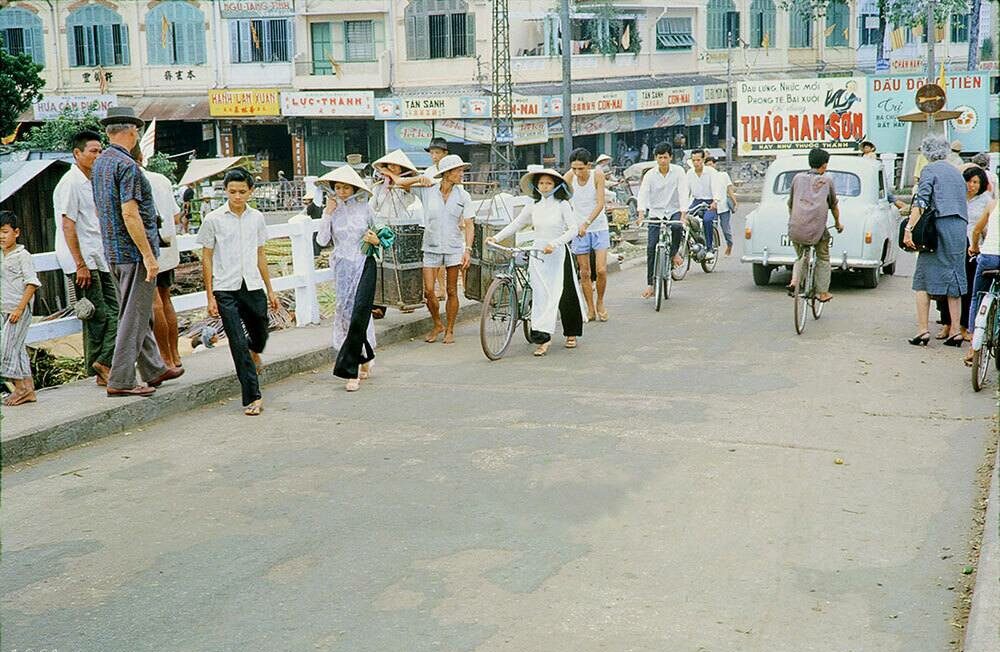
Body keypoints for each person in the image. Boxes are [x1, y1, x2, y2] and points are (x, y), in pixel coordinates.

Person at [91, 107, 181, 397]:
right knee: (134, 316)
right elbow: (130, 213)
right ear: (132, 131)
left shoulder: (101, 163)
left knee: (135, 311)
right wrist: (149, 255)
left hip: (113, 251)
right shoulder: (128, 166)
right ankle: (121, 378)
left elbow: (101, 209)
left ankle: (154, 368)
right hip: (132, 253)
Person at [197, 168, 279, 415]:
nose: (237, 196)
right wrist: (210, 295)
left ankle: (256, 353)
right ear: (225, 191)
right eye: (232, 192)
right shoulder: (213, 219)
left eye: (242, 192)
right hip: (226, 288)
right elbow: (207, 258)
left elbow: (261, 254)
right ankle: (252, 396)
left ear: (251, 191)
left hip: (252, 284)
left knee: (260, 332)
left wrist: (270, 289)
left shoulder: (257, 218)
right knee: (237, 341)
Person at [487, 169, 587, 356]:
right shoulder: (533, 205)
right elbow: (517, 224)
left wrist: (555, 243)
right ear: (536, 185)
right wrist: (497, 237)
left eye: (548, 183)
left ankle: (571, 332)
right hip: (538, 252)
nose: (544, 187)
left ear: (556, 185)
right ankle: (542, 338)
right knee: (541, 294)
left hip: (557, 251)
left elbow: (573, 230)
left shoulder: (562, 205)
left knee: (565, 293)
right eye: (541, 183)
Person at [315, 165, 393, 391]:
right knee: (344, 312)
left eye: (346, 187)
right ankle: (366, 356)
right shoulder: (332, 211)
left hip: (363, 264)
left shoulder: (365, 209)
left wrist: (375, 240)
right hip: (342, 267)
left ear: (354, 188)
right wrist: (328, 213)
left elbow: (384, 236)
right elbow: (321, 241)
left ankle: (353, 370)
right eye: (337, 187)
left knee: (360, 311)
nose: (341, 191)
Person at [53, 130, 118, 386]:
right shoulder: (69, 183)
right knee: (101, 315)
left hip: (96, 256)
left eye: (100, 151)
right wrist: (79, 264)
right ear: (77, 153)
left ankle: (102, 364)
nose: (98, 155)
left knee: (114, 311)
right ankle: (102, 365)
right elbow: (68, 225)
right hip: (82, 260)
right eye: (93, 151)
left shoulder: (93, 180)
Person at [396, 154, 475, 344]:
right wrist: (418, 178)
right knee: (429, 291)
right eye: (458, 171)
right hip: (430, 246)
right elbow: (400, 183)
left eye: (461, 170)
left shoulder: (463, 196)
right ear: (447, 174)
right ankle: (437, 323)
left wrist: (468, 250)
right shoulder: (428, 190)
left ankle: (450, 329)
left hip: (453, 247)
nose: (461, 174)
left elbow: (469, 224)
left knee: (451, 290)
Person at [903, 135, 969, 347]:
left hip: (938, 226)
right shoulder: (956, 173)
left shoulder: (929, 170)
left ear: (926, 152)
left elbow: (921, 203)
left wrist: (909, 229)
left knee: (922, 277)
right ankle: (957, 331)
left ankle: (923, 330)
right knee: (955, 276)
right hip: (959, 227)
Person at [133, 147, 183, 369]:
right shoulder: (162, 179)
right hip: (167, 244)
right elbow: (175, 214)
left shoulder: (132, 180)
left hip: (148, 246)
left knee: (155, 304)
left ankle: (164, 359)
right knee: (166, 299)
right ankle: (175, 354)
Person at [786, 148, 844, 303]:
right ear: (824, 165)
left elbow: (790, 203)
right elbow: (834, 206)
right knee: (823, 257)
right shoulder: (827, 180)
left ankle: (794, 282)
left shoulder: (797, 178)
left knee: (800, 256)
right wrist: (838, 224)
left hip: (796, 227)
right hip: (817, 229)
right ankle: (822, 292)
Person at [637, 142, 689, 299]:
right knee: (651, 246)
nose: (663, 161)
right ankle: (650, 285)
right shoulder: (650, 175)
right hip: (656, 212)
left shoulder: (679, 172)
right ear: (656, 158)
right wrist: (641, 213)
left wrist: (683, 214)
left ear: (670, 157)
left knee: (676, 228)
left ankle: (673, 253)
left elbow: (683, 192)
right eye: (660, 158)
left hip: (673, 210)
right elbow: (643, 194)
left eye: (666, 157)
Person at [0, 211, 41, 406]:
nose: (2, 236)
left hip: (18, 310)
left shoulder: (22, 256)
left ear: (16, 232)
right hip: (3, 309)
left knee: (5, 350)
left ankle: (19, 388)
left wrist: (19, 308)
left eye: (5, 232)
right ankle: (29, 389)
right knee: (17, 350)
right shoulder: (1, 255)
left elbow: (32, 284)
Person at [564, 148, 609, 321]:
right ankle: (590, 307)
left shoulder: (597, 175)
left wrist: (587, 223)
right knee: (584, 272)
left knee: (601, 270)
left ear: (588, 166)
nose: (577, 172)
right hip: (578, 229)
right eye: (574, 168)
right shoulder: (569, 177)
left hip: (598, 226)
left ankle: (600, 302)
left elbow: (600, 203)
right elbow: (561, 199)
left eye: (580, 169)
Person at [966, 197, 1000, 364]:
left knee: (977, 297)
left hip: (989, 256)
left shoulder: (993, 203)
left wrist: (974, 247)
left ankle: (973, 345)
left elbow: (976, 230)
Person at [686, 149, 726, 259]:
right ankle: (691, 243)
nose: (696, 163)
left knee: (707, 220)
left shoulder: (711, 172)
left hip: (710, 201)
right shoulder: (689, 173)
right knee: (684, 219)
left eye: (698, 160)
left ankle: (709, 248)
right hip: (696, 201)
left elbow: (716, 187)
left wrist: (715, 201)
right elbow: (685, 191)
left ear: (703, 159)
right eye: (693, 160)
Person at [369, 149, 419, 225]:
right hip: (383, 225)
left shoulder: (405, 184)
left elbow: (402, 184)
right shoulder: (379, 186)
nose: (392, 167)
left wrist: (389, 173)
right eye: (389, 164)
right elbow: (371, 207)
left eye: (395, 165)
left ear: (402, 169)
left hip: (401, 224)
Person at [705, 156, 737, 256]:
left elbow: (729, 189)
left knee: (725, 228)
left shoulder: (723, 175)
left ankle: (729, 244)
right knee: (711, 226)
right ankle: (711, 247)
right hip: (712, 207)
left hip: (723, 207)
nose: (710, 167)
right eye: (707, 165)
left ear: (715, 165)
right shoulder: (706, 177)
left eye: (711, 164)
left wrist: (735, 201)